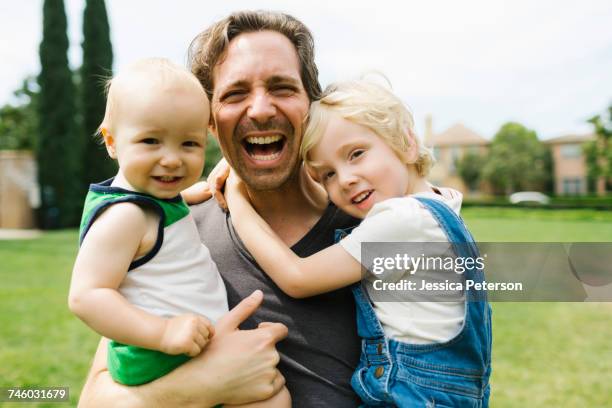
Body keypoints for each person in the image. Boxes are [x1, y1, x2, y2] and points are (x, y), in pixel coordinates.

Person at [78, 11, 361, 407]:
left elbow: (459, 365)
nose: (260, 110)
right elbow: (92, 399)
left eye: (281, 88)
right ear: (210, 122)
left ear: (312, 105)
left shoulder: (384, 222)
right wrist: (201, 385)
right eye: (235, 94)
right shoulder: (172, 229)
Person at [224, 79, 493, 407]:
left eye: (356, 154)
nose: (345, 179)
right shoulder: (441, 204)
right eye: (328, 175)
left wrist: (237, 196)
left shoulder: (402, 218)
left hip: (411, 396)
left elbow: (297, 277)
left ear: (406, 143)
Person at [69, 57, 289, 406]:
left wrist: (188, 193)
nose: (172, 159)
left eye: (189, 144)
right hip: (164, 354)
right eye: (151, 141)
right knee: (272, 399)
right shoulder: (125, 217)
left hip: (188, 346)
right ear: (111, 142)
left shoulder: (154, 202)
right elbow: (86, 295)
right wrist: (163, 333)